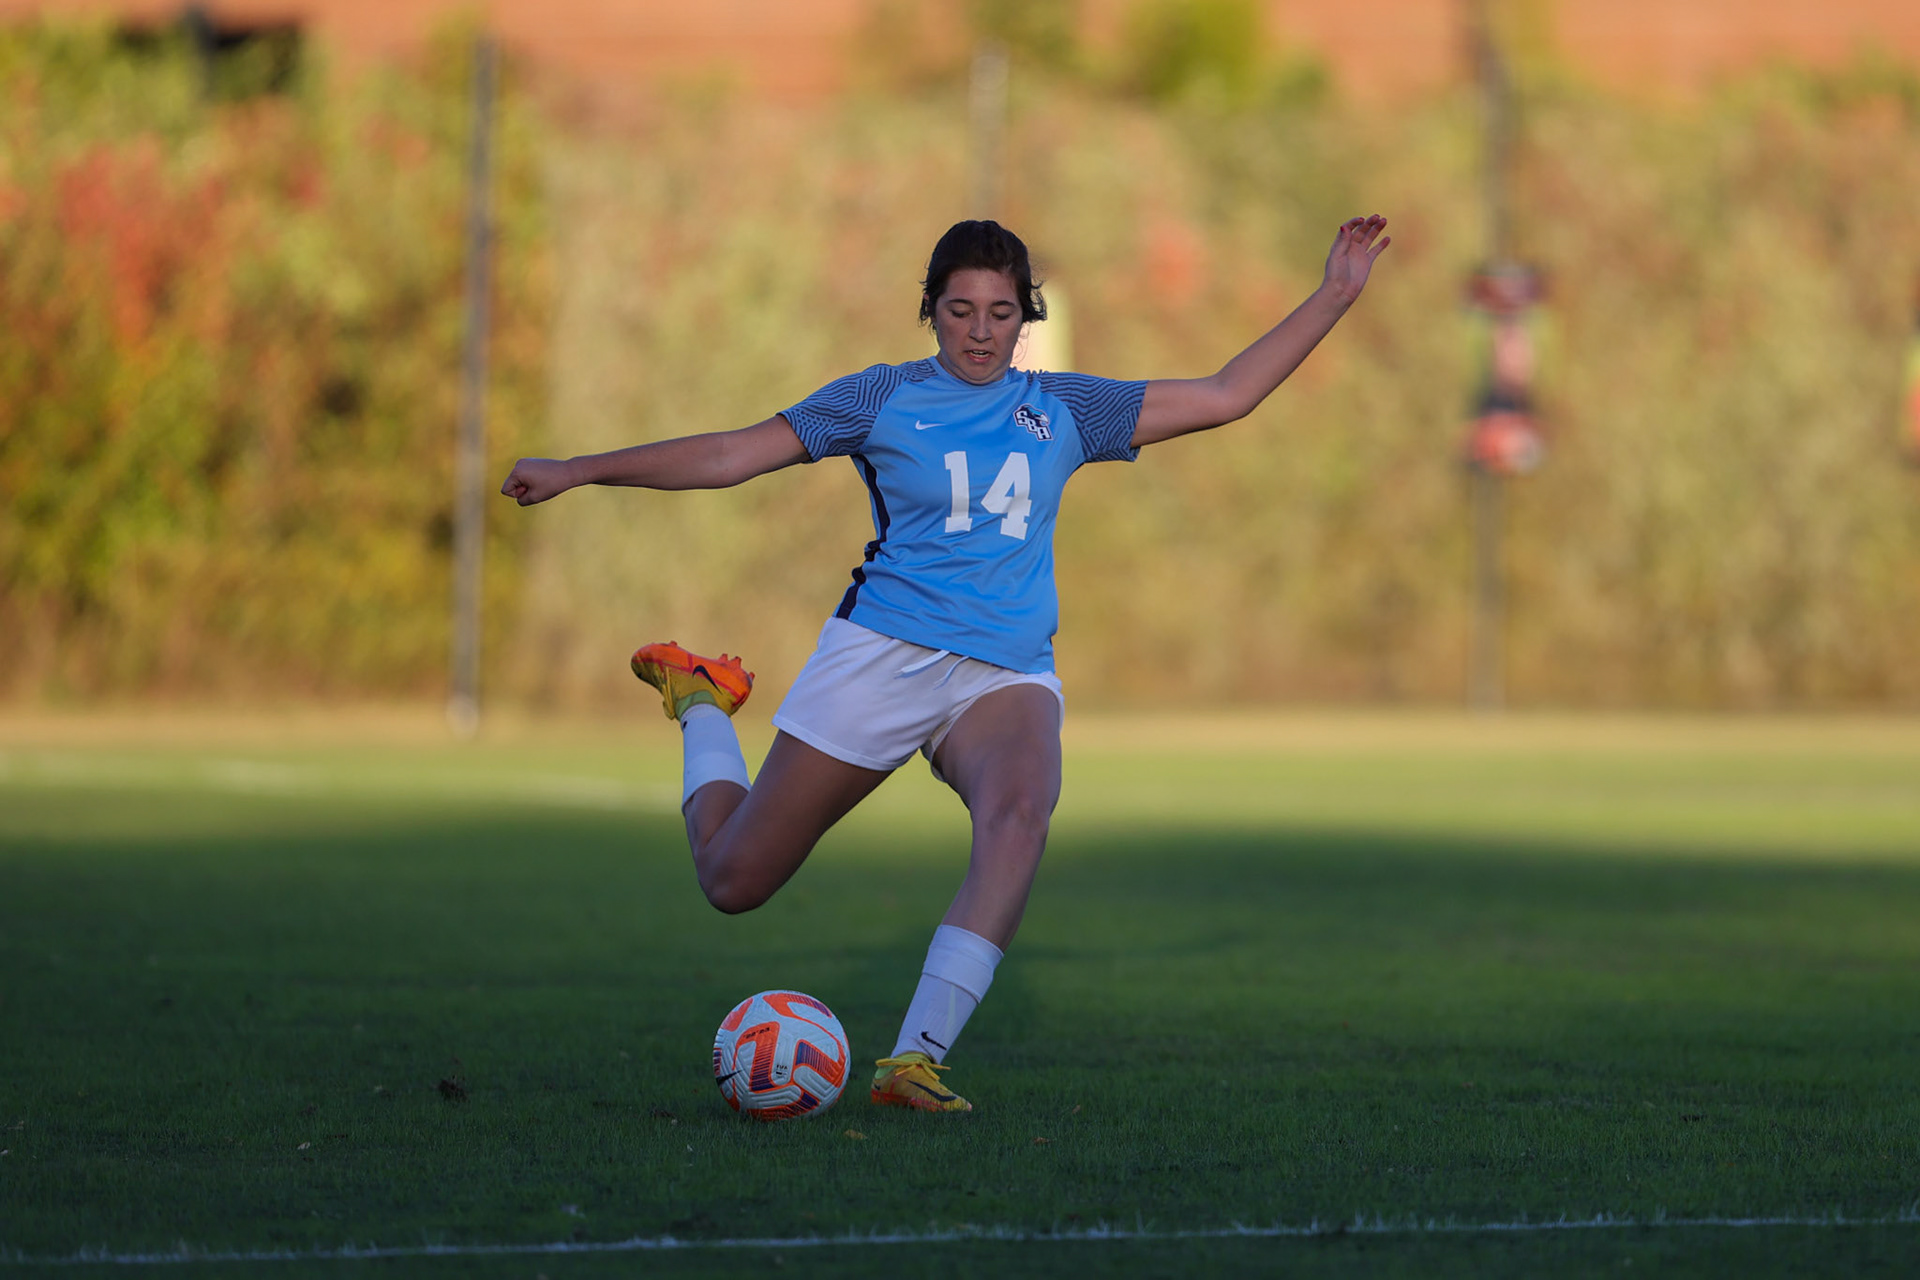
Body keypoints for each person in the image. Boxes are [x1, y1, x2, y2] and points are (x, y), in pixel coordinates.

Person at [500, 215, 1390, 1113]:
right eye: (960, 309)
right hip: (881, 657)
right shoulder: (878, 398)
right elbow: (732, 455)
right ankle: (701, 700)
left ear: (1024, 318)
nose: (979, 329)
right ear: (930, 312)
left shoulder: (1069, 408)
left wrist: (1337, 294)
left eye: (1001, 312)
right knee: (733, 881)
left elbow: (1229, 392)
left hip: (1003, 675)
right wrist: (579, 469)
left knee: (1021, 808)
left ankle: (913, 1062)